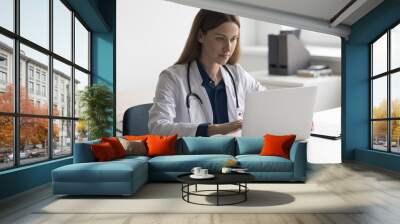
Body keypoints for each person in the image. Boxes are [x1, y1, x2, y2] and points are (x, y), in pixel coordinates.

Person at [148, 9, 265, 137]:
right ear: (200, 36)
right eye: (220, 38)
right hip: (194, 155)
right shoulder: (172, 78)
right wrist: (214, 129)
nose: (228, 47)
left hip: (233, 155)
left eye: (233, 39)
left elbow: (270, 101)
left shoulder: (238, 74)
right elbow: (157, 127)